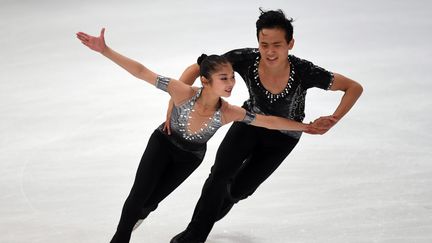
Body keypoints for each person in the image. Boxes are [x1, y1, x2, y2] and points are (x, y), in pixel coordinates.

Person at [75, 28, 329, 243]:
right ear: (206, 81)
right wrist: (105, 50)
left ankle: (142, 212)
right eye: (223, 78)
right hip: (163, 143)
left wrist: (306, 127)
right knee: (138, 195)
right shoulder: (181, 92)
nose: (231, 83)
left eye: (231, 77)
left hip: (190, 158)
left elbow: (270, 121)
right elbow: (141, 71)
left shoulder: (229, 112)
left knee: (149, 203)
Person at [169, 8, 363, 243]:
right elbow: (196, 68)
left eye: (277, 45)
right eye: (264, 44)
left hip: (283, 137)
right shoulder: (245, 59)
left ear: (290, 43)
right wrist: (176, 106)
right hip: (248, 123)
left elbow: (353, 87)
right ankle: (193, 236)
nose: (270, 51)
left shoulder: (304, 71)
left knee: (238, 190)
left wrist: (333, 119)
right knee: (219, 176)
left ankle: (199, 227)